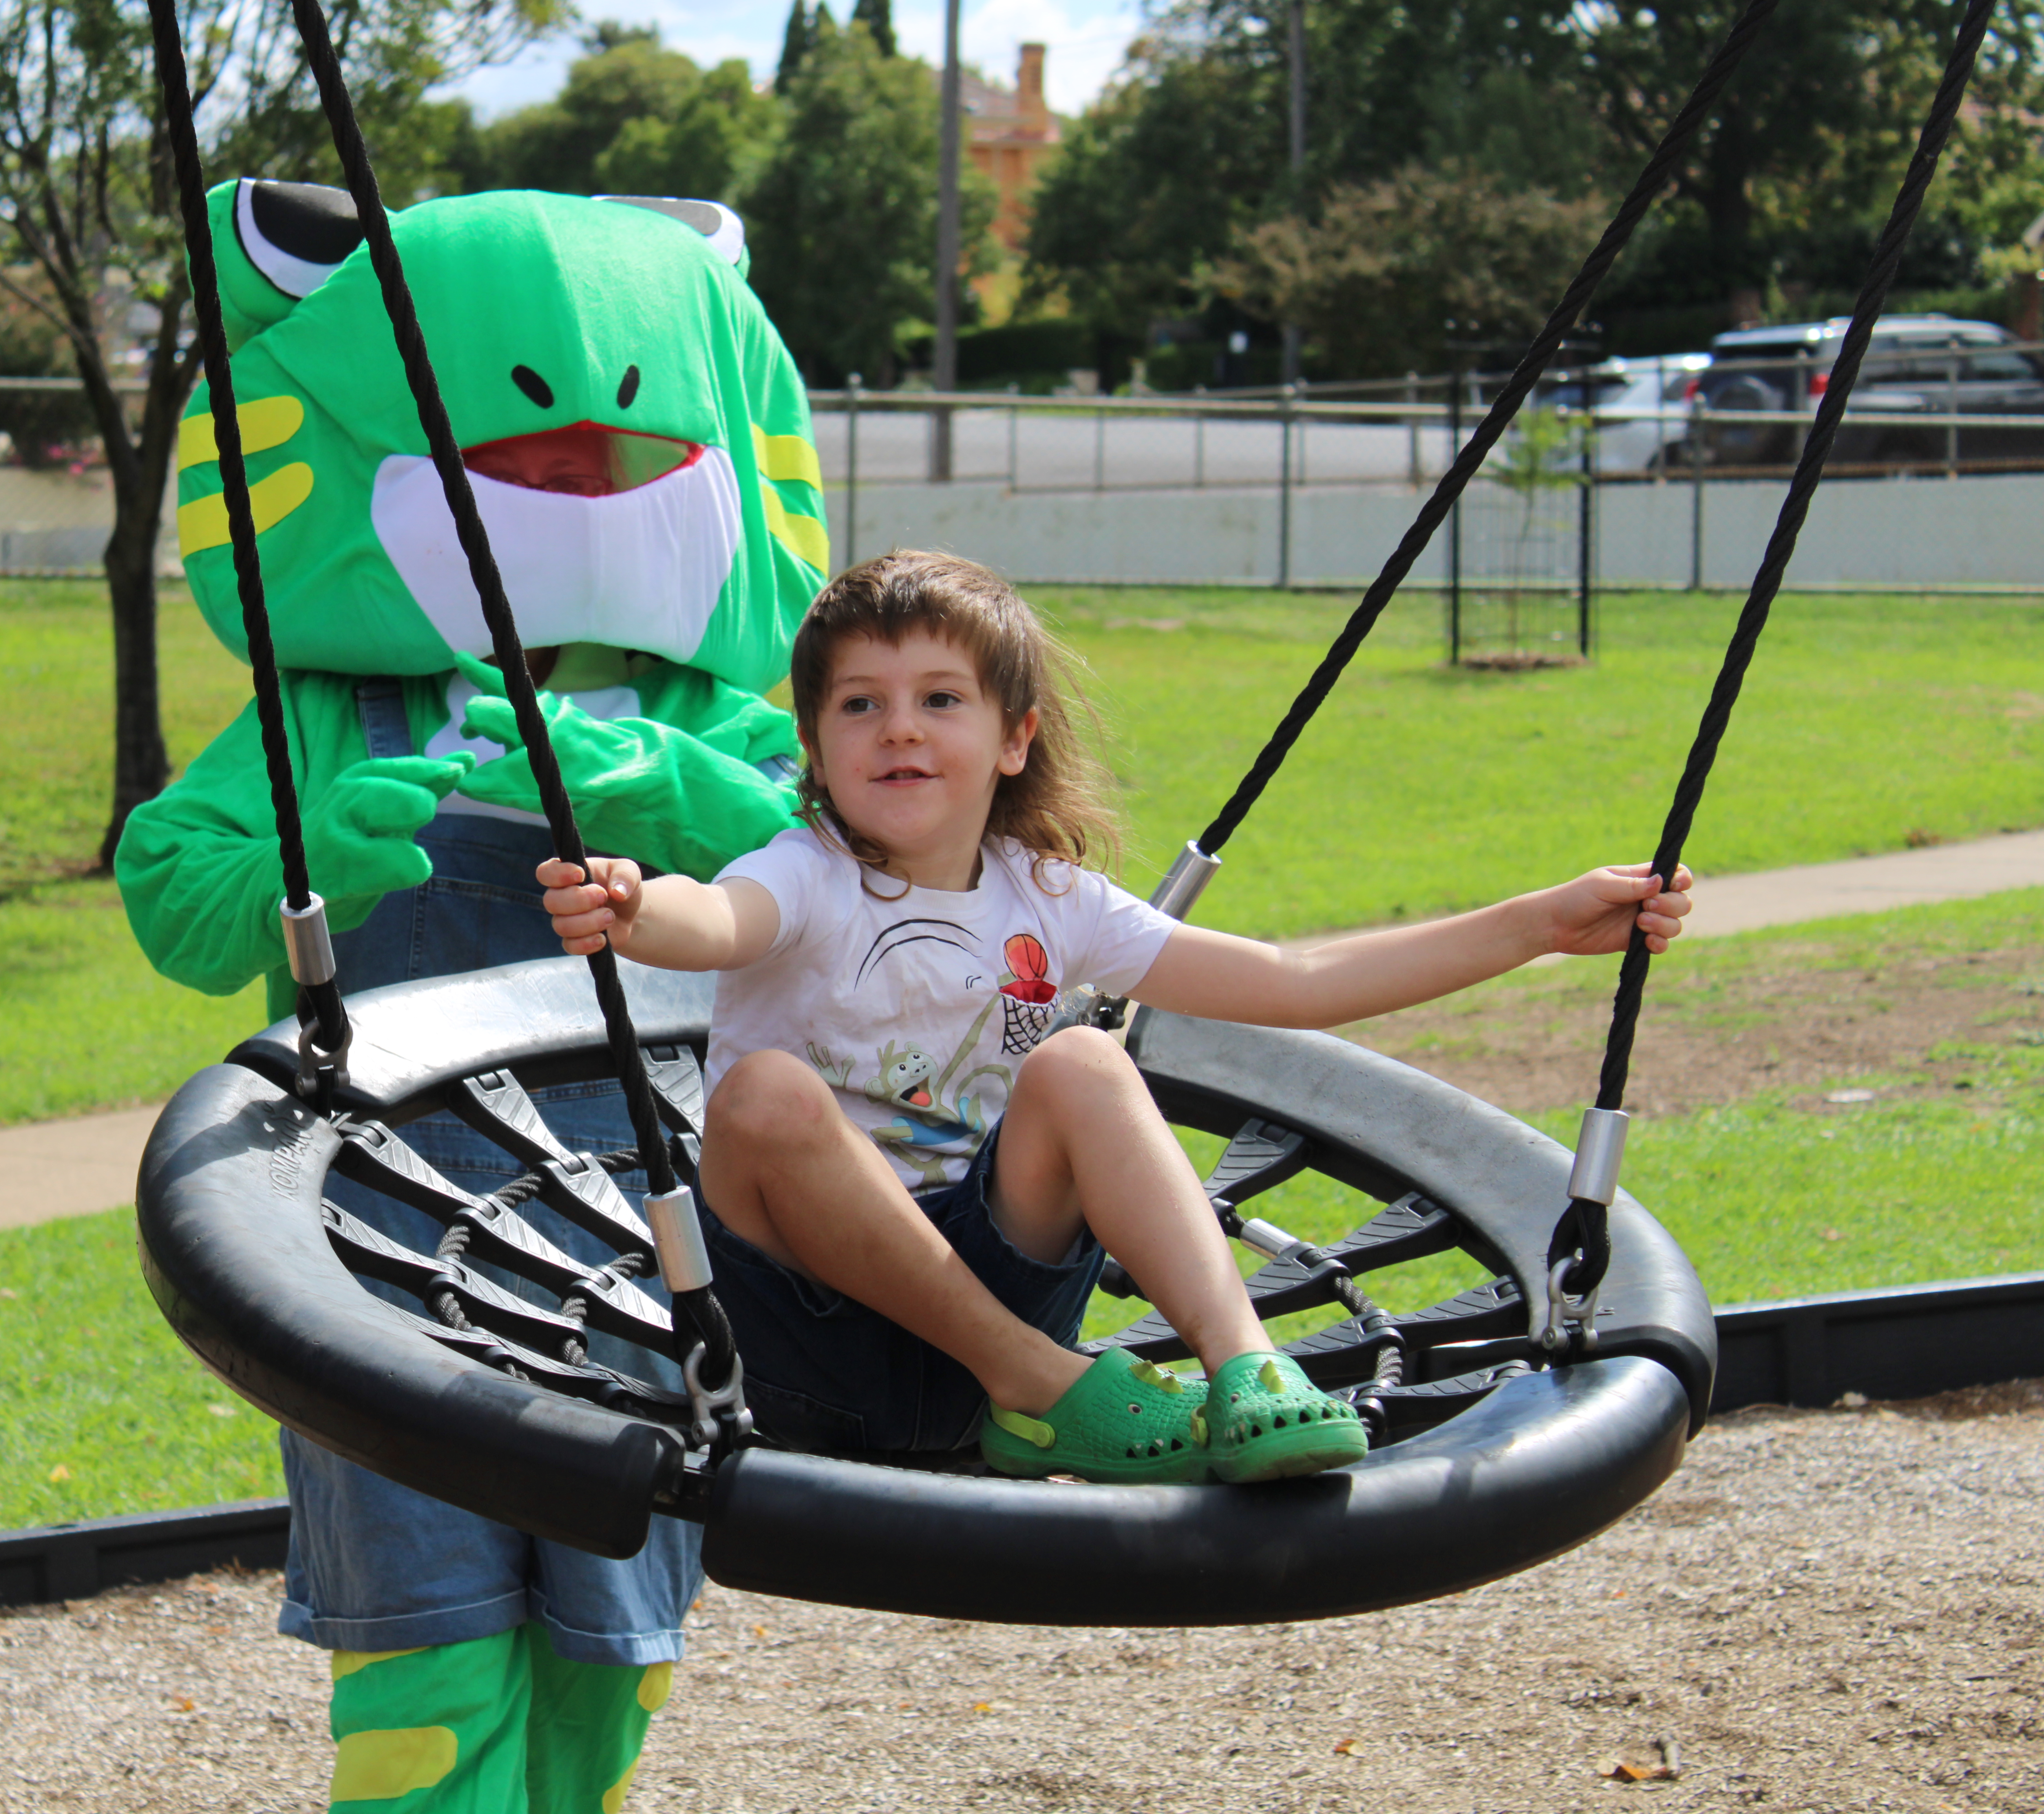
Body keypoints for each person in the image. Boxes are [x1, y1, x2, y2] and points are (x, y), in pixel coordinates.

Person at [116, 179, 831, 1810]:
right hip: (382, 1234)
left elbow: (831, 881)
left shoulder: (709, 708)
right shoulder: (334, 711)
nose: (588, 472)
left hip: (650, 1238)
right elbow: (174, 883)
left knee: (618, 1635)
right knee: (424, 1635)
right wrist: (314, 878)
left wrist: (650, 778)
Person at [535, 550, 1695, 1485]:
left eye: (940, 699)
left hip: (990, 1271)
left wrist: (1538, 922)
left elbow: (1294, 980)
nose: (899, 728)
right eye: (861, 705)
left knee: (1087, 1059)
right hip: (810, 1334)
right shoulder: (804, 874)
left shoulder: (1049, 900)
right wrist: (637, 907)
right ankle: (1036, 1382)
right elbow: (716, 920)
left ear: (1014, 737)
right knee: (762, 1093)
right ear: (818, 746)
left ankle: (1249, 1370)